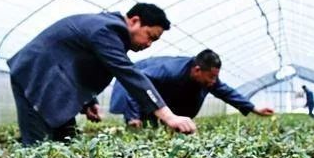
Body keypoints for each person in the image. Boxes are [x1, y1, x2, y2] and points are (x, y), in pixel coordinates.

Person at [7, 3, 196, 145]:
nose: (148, 44)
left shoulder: (106, 30)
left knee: (67, 141)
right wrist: (169, 116)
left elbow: (78, 64)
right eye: (150, 36)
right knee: (38, 145)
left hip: (50, 80)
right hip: (36, 78)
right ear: (134, 21)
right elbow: (129, 74)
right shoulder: (108, 29)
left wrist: (90, 102)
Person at [109, 49, 274, 128]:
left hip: (161, 98)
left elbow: (227, 92)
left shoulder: (207, 78)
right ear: (197, 70)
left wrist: (254, 109)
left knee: (156, 128)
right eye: (211, 77)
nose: (214, 81)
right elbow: (137, 86)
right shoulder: (168, 70)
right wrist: (133, 117)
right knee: (138, 129)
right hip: (136, 90)